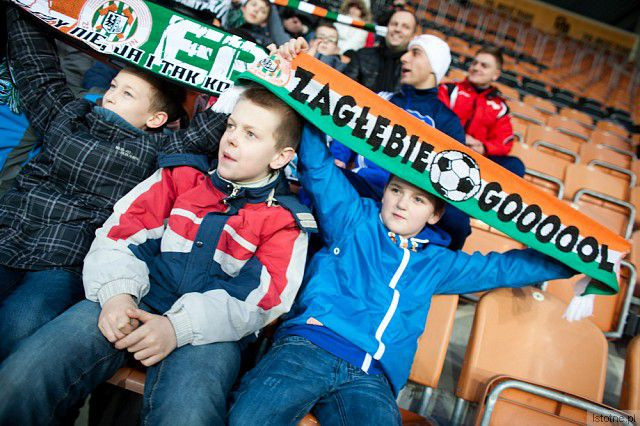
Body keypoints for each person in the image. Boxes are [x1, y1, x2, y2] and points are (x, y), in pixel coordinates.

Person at [0, 84, 314, 424]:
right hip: (136, 297)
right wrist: (117, 293)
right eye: (231, 126)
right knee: (23, 376)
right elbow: (119, 234)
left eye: (251, 134)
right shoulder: (181, 175)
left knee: (188, 416)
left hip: (209, 334)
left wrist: (178, 327)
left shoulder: (286, 221)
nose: (232, 139)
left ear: (280, 157)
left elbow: (261, 301)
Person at [228, 121, 577, 426]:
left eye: (418, 200)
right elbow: (319, 167)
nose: (402, 203)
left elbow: (503, 268)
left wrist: (573, 259)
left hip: (370, 377)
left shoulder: (438, 263)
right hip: (309, 346)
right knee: (248, 419)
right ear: (385, 193)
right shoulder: (353, 218)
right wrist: (309, 106)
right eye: (396, 190)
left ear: (435, 216)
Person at [0, 6, 229, 361]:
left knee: (20, 327)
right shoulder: (69, 114)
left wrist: (266, 74)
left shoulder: (159, 150)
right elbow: (37, 67)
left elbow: (214, 124)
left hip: (60, 262)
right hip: (7, 234)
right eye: (113, 85)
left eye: (127, 94)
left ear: (156, 118)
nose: (111, 95)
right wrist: (24, 8)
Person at [330, 34, 471, 249]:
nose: (404, 58)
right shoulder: (381, 98)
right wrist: (338, 157)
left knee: (458, 219)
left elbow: (452, 180)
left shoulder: (447, 121)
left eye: (416, 53)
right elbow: (346, 131)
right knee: (324, 174)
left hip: (410, 199)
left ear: (434, 66)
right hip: (366, 184)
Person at [438, 46, 525, 177]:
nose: (476, 68)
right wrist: (461, 136)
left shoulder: (500, 107)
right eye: (474, 63)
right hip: (443, 145)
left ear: (495, 75)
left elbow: (504, 143)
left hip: (475, 160)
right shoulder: (448, 90)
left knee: (515, 165)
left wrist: (483, 147)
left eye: (484, 66)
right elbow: (437, 118)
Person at [343, 9, 417, 93]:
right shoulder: (361, 56)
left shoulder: (415, 69)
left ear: (413, 35)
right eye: (394, 24)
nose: (397, 29)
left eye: (405, 27)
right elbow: (345, 90)